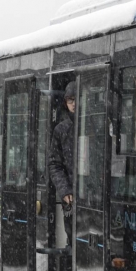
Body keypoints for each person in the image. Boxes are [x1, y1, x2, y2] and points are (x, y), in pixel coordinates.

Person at [49, 81, 76, 245]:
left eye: (76, 99)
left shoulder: (95, 125)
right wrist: (64, 190)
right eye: (70, 100)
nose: (73, 104)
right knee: (73, 242)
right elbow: (54, 164)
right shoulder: (61, 130)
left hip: (92, 199)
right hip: (71, 200)